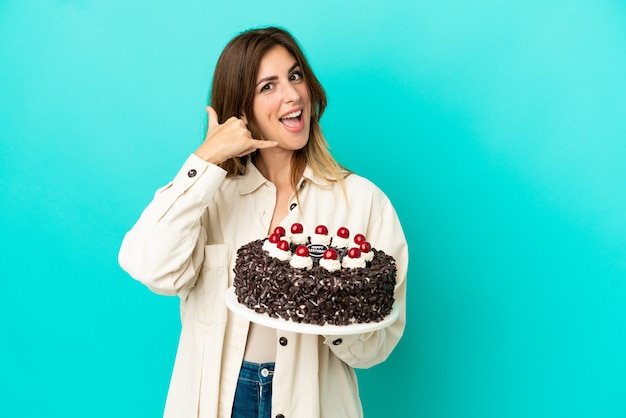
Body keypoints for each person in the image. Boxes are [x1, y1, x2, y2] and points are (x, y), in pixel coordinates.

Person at [119, 26, 408, 418]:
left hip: (312, 404)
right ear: (242, 110)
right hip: (217, 400)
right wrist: (205, 160)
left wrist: (331, 303)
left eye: (294, 76)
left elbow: (378, 345)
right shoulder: (210, 196)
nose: (292, 95)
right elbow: (151, 266)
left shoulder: (362, 201)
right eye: (267, 86)